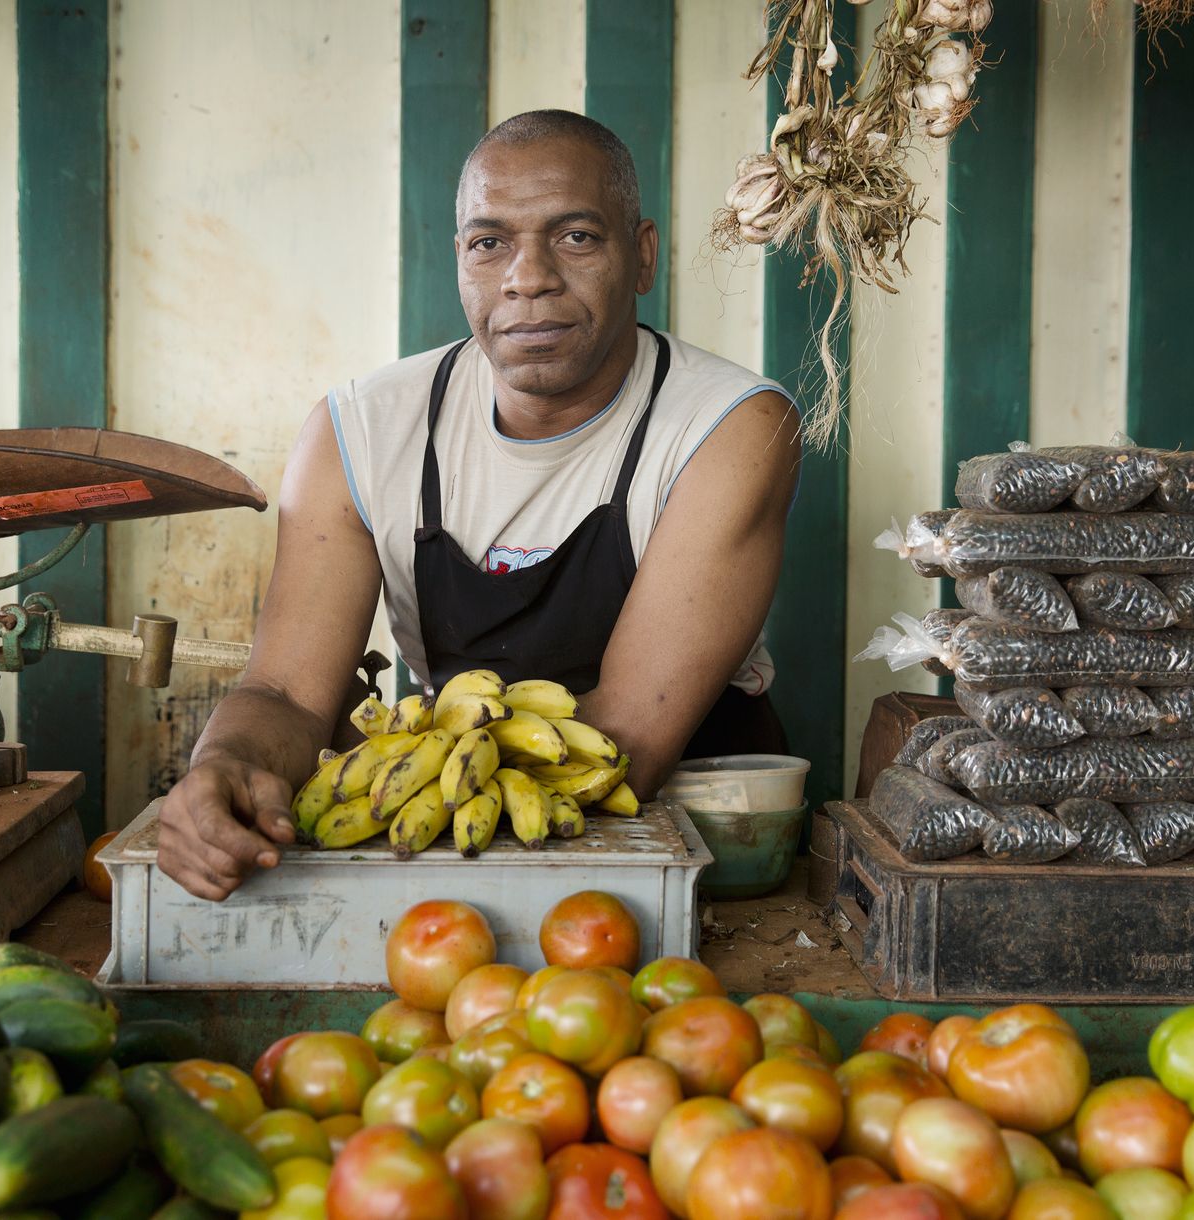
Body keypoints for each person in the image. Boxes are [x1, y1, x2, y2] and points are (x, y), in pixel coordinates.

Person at [158, 110, 801, 901]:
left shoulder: (727, 426)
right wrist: (225, 767)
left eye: (575, 237)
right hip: (458, 827)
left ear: (642, 256)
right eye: (489, 243)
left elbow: (625, 736)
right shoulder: (359, 431)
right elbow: (287, 693)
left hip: (701, 843)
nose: (526, 277)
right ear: (459, 259)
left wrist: (408, 787)